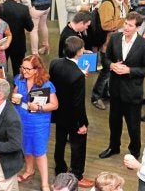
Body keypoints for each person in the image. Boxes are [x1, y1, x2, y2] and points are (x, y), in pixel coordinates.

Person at [99, 12, 145, 160]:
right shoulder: (115, 38)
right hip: (115, 90)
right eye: (125, 24)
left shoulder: (144, 45)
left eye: (130, 25)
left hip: (132, 93)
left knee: (133, 126)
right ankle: (113, 147)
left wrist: (129, 70)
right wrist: (111, 65)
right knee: (114, 122)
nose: (126, 27)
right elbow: (105, 58)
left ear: (137, 27)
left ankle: (135, 152)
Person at [50, 36, 94, 188]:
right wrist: (82, 123)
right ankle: (77, 174)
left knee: (60, 141)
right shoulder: (78, 75)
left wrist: (80, 73)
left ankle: (60, 168)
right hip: (73, 117)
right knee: (78, 145)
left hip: (58, 111)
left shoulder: (55, 63)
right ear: (79, 52)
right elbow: (78, 104)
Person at [12, 55, 58, 190]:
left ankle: (45, 183)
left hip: (38, 122)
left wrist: (39, 107)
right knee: (26, 146)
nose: (24, 71)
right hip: (21, 118)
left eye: (28, 69)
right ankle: (29, 170)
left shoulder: (46, 84)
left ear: (37, 70)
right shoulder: (19, 79)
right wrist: (14, 98)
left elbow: (55, 105)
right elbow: (15, 94)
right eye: (22, 68)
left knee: (39, 151)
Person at [91, 0, 131, 111]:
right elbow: (107, 25)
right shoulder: (107, 5)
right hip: (108, 45)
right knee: (106, 71)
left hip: (120, 43)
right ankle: (96, 97)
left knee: (113, 70)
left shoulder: (124, 1)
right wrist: (125, 21)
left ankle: (105, 93)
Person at [0, 0, 34, 76]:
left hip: (2, 43)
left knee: (1, 68)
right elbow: (30, 27)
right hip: (18, 43)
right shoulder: (23, 9)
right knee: (18, 69)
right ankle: (17, 86)